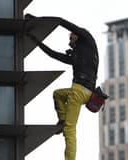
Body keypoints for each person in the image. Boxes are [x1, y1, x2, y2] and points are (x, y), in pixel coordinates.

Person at [25, 14, 99, 160]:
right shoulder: (79, 54)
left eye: (71, 39)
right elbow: (53, 55)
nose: (70, 43)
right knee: (58, 94)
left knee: (70, 130)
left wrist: (36, 19)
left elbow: (60, 21)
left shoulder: (86, 38)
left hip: (78, 91)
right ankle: (63, 118)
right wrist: (35, 40)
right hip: (87, 93)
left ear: (77, 36)